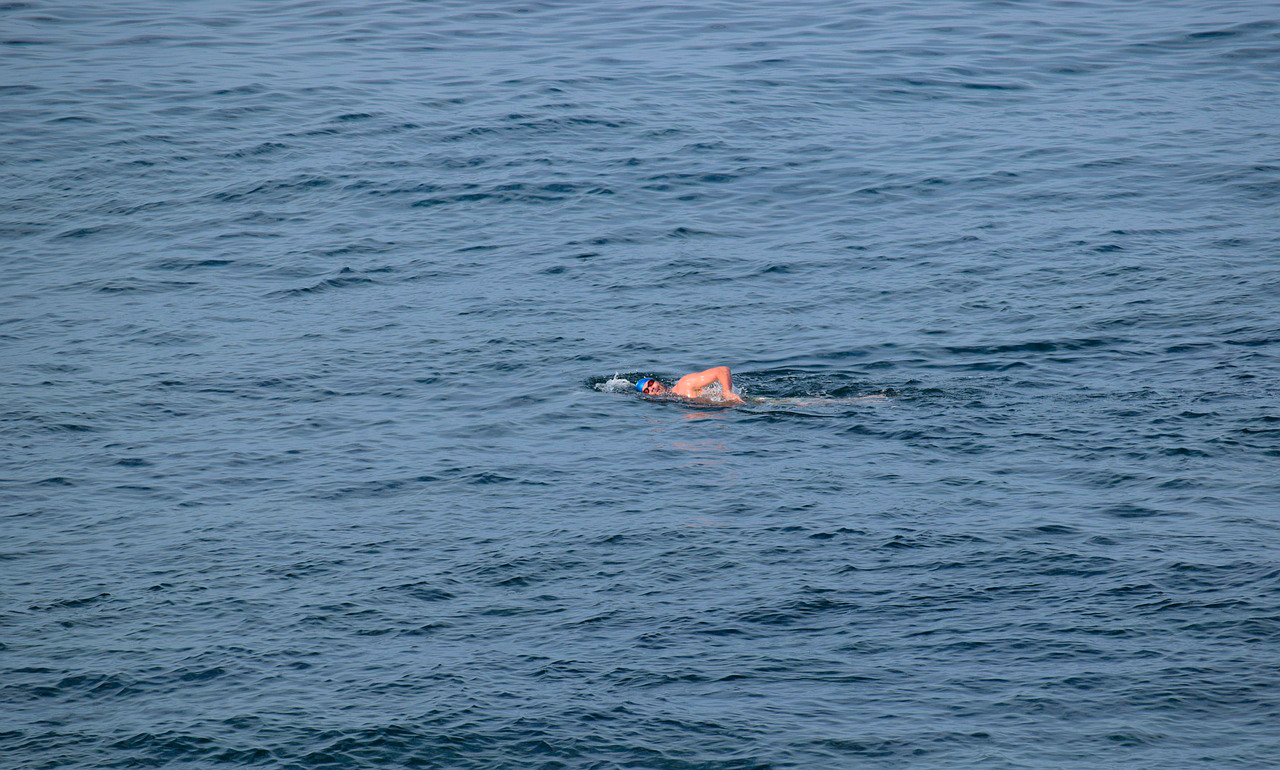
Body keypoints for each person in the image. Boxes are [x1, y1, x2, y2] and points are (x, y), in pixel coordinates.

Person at [636, 366, 744, 404]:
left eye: (651, 383)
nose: (652, 388)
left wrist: (727, 393)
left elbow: (722, 371)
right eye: (647, 390)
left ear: (657, 381)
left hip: (737, 405)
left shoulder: (685, 384)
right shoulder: (675, 400)